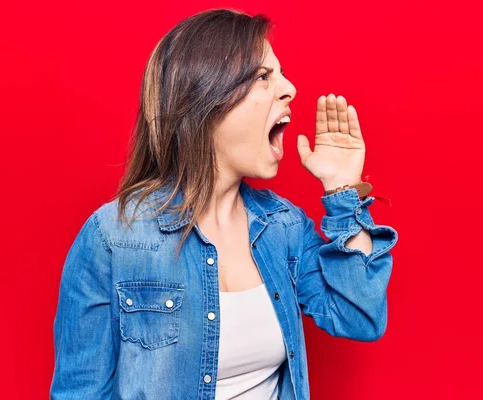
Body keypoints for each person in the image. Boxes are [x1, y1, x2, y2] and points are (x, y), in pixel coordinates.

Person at [49, 8, 398, 400]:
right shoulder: (113, 237)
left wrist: (342, 190)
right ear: (207, 99)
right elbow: (79, 391)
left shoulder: (283, 228)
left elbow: (360, 316)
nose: (290, 89)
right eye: (264, 77)